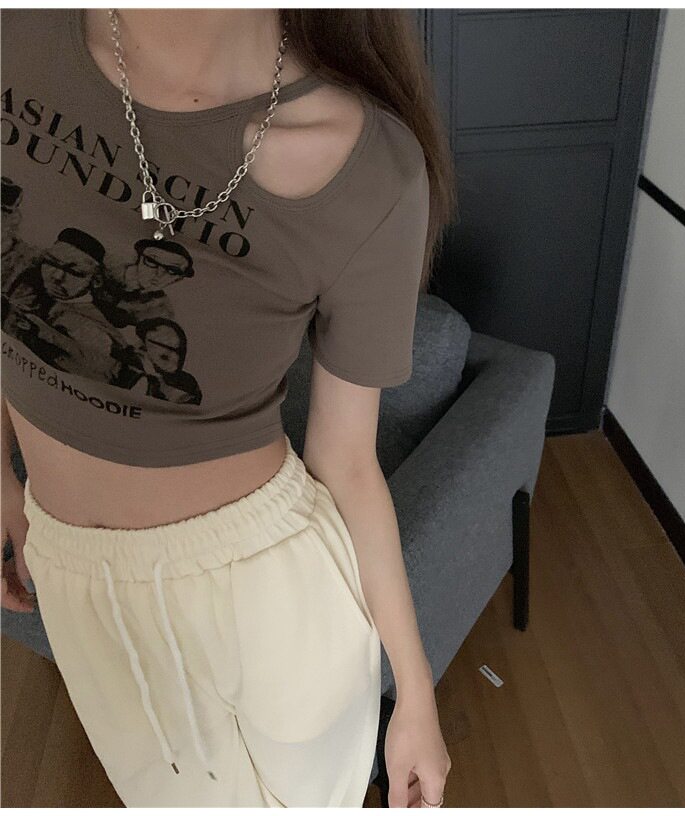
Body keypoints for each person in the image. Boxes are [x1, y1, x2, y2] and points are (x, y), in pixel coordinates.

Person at [1, 7, 457, 808]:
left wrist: (414, 692)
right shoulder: (18, 39)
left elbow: (347, 463)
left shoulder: (369, 169)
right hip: (68, 569)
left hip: (265, 591)